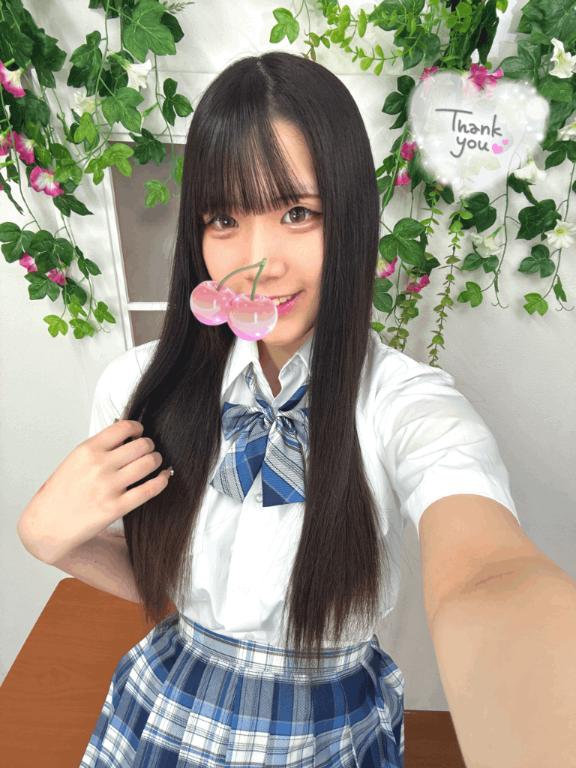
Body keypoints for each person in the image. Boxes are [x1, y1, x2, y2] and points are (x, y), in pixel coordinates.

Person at [19, 51, 522, 767]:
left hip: (327, 731)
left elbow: (487, 569)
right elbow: (167, 579)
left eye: (297, 213)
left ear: (351, 216)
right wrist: (49, 540)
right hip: (168, 708)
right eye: (224, 218)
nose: (259, 263)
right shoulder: (138, 389)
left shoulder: (403, 403)